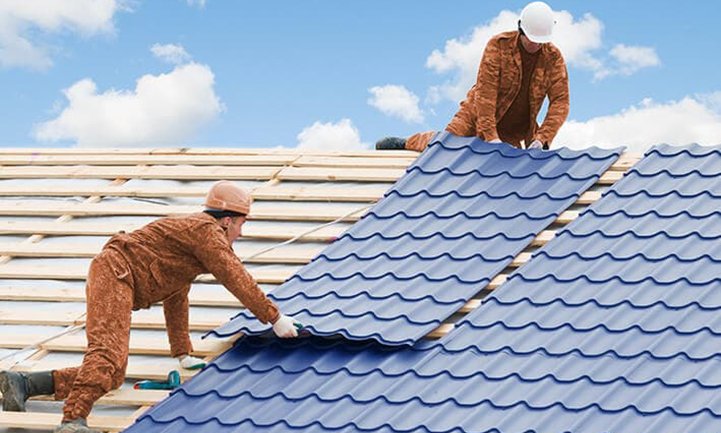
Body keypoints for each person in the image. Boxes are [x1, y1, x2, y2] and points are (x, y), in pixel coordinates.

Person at [0, 181, 300, 433]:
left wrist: (182, 352)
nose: (241, 233)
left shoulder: (191, 244)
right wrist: (274, 318)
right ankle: (72, 420)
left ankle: (24, 384)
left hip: (118, 276)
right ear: (227, 220)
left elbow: (177, 294)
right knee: (106, 355)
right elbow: (235, 277)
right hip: (116, 273)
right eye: (241, 224)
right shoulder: (206, 232)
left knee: (115, 374)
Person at [377, 1, 569, 152]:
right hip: (476, 114)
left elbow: (560, 102)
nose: (536, 45)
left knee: (504, 165)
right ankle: (407, 143)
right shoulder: (498, 46)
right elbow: (486, 93)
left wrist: (542, 138)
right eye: (532, 39)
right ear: (521, 30)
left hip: (514, 129)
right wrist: (490, 136)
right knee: (445, 146)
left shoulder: (553, 58)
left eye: (540, 41)